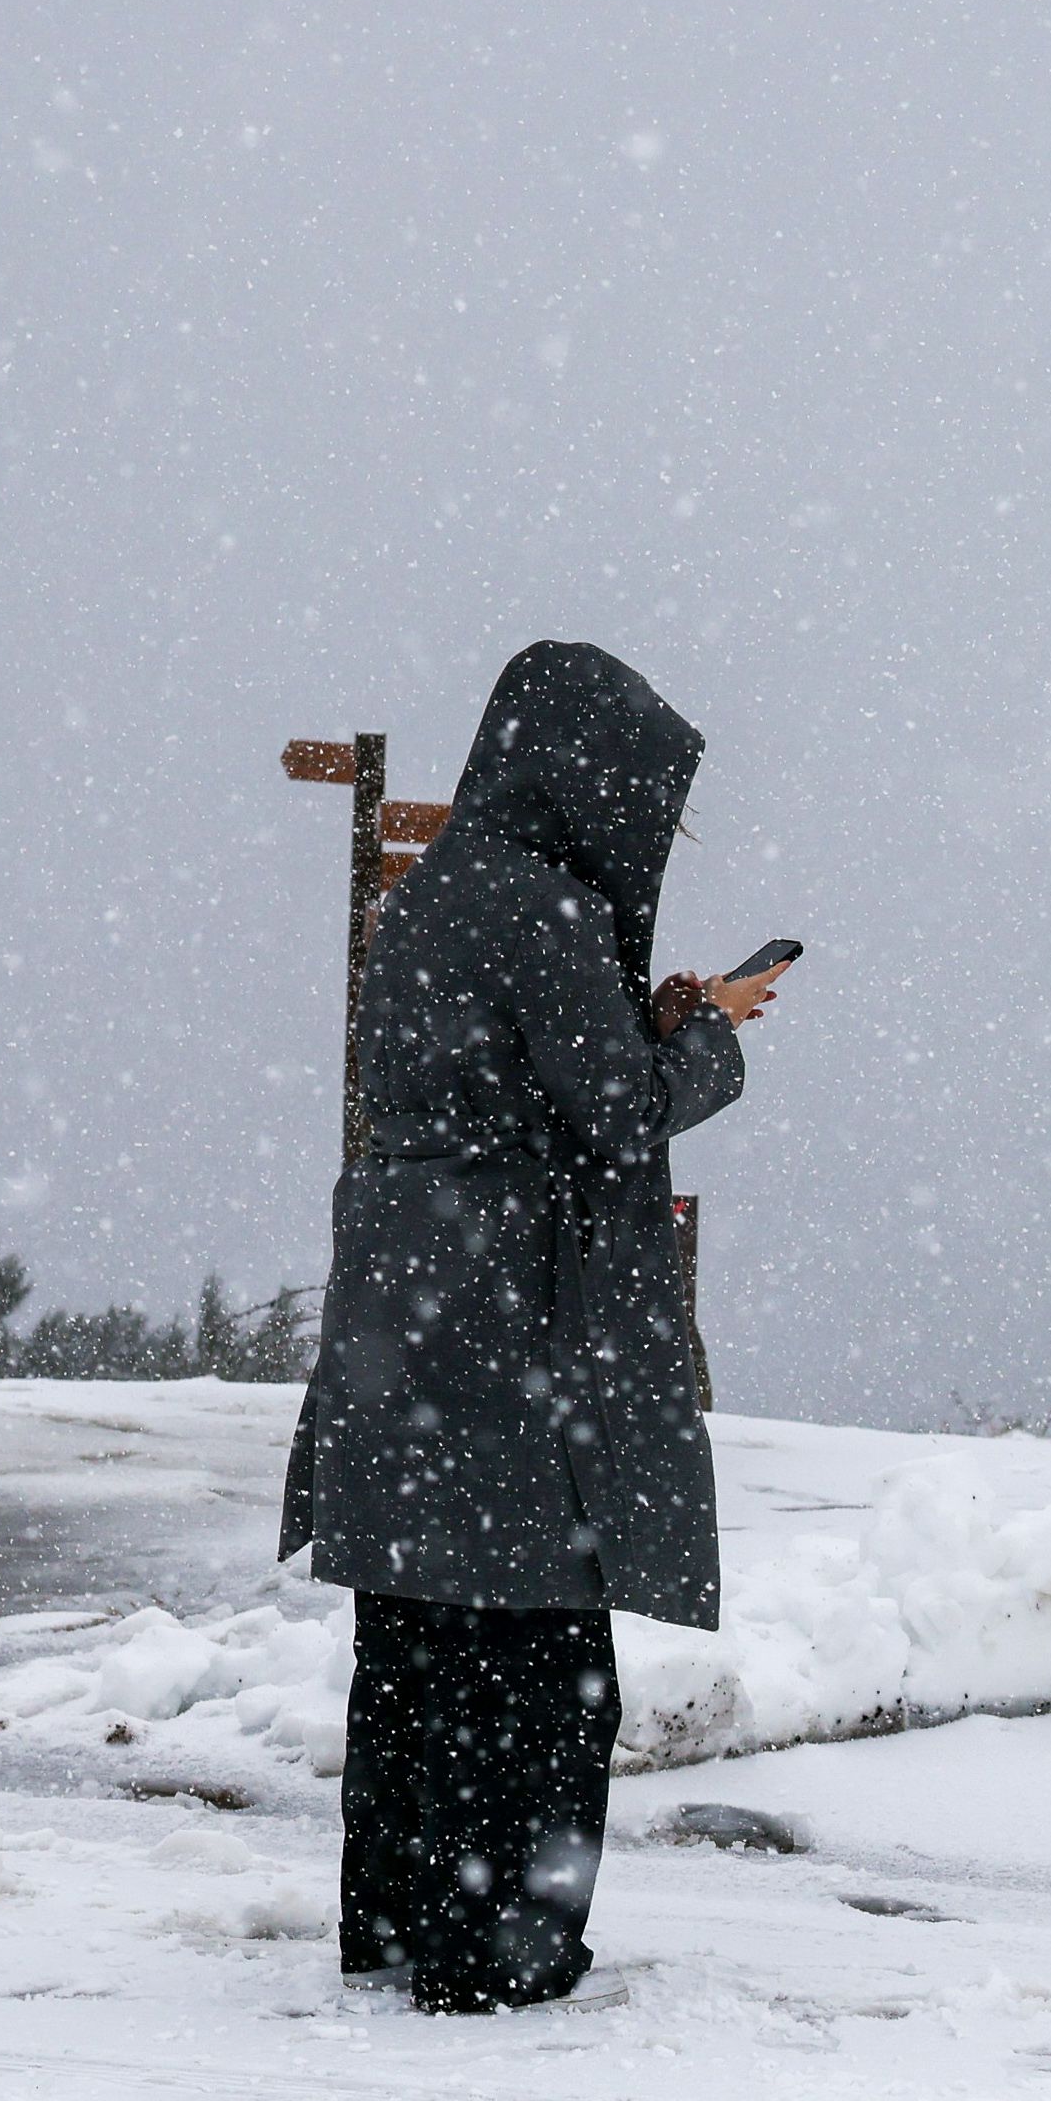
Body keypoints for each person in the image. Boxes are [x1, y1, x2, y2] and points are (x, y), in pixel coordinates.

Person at [281, 641, 782, 2010]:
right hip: (514, 1320)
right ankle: (502, 1945)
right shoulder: (551, 909)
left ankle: (396, 1920)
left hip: (412, 1300)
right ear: (585, 778)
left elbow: (512, 1073)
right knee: (541, 1652)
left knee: (417, 1641)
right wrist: (715, 1035)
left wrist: (646, 1016)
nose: (648, 832)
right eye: (644, 801)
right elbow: (611, 1118)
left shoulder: (439, 890)